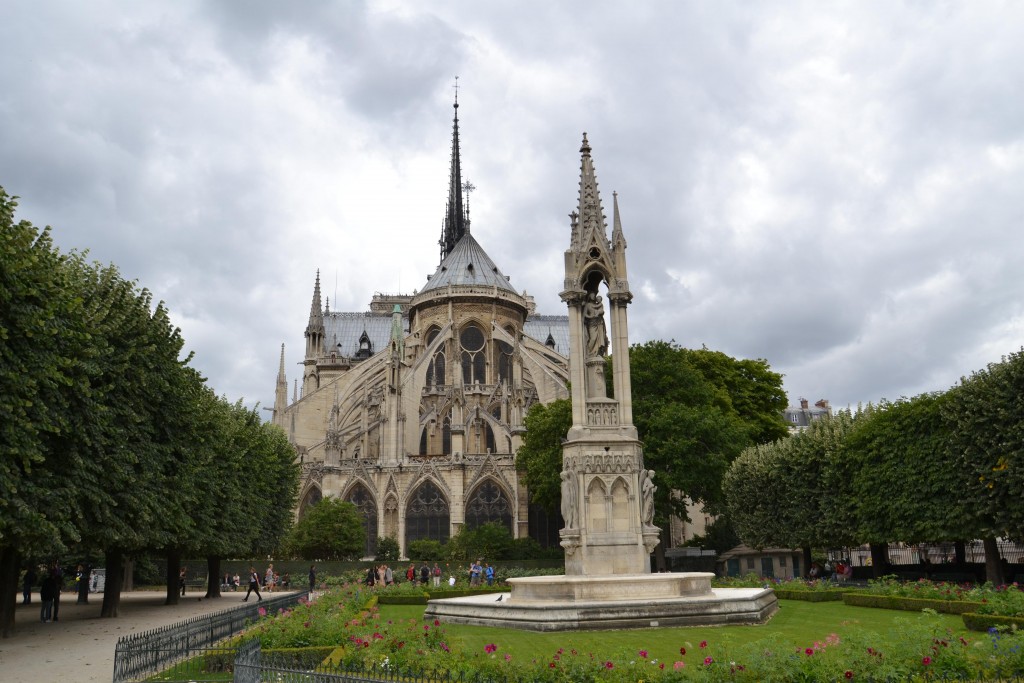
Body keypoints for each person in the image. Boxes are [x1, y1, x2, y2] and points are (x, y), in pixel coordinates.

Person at [582, 289, 608, 357]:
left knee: (599, 339)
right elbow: (585, 315)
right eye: (592, 295)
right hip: (591, 323)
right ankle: (590, 353)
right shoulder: (588, 305)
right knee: (593, 338)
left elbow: (602, 311)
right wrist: (591, 316)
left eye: (594, 295)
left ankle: (597, 353)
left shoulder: (599, 304)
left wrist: (599, 312)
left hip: (599, 323)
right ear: (589, 296)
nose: (593, 296)